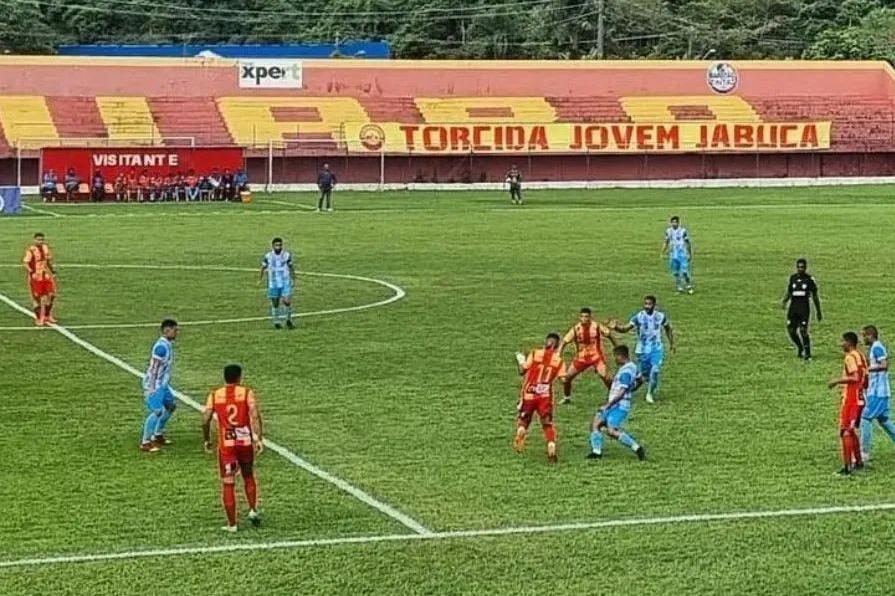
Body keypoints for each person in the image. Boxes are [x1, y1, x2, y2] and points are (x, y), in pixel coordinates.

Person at [202, 364, 263, 532]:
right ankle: (252, 510)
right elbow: (255, 415)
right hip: (245, 442)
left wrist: (207, 439)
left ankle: (232, 524)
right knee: (248, 474)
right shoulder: (246, 393)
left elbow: (205, 419)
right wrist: (258, 438)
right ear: (239, 377)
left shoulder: (215, 395)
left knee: (228, 483)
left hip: (227, 446)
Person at [610, 295, 675, 404]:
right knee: (644, 376)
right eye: (645, 304)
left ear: (654, 305)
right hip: (642, 351)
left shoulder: (660, 316)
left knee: (655, 370)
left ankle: (649, 393)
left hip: (656, 348)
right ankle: (627, 389)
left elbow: (668, 328)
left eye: (649, 304)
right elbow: (625, 329)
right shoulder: (638, 317)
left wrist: (672, 343)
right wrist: (616, 327)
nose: (647, 306)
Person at [513, 332, 566, 463]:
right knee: (547, 423)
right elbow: (564, 379)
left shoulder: (535, 353)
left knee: (524, 419)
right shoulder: (559, 361)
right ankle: (551, 445)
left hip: (529, 393)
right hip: (545, 396)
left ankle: (521, 431)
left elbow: (522, 371)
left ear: (546, 342)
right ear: (557, 345)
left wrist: (521, 361)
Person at [587, 345, 646, 460]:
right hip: (615, 404)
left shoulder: (626, 372)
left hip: (619, 406)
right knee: (596, 423)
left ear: (620, 356)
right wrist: (633, 388)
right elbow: (641, 379)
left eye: (615, 356)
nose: (615, 359)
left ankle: (637, 447)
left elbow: (622, 392)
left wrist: (608, 405)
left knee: (611, 430)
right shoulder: (632, 367)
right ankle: (596, 452)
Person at [828, 331, 868, 476]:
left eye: (843, 341)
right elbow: (865, 377)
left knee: (845, 431)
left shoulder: (850, 357)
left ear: (849, 342)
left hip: (852, 399)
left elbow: (855, 376)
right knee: (851, 431)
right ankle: (858, 462)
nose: (841, 344)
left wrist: (837, 381)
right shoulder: (861, 356)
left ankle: (847, 467)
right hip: (860, 397)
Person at [558, 307, 616, 404]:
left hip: (596, 357)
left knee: (605, 376)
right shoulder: (576, 329)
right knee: (567, 378)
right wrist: (559, 353)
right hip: (581, 358)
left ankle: (614, 395)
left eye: (586, 317)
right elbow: (564, 342)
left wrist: (617, 347)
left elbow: (609, 335)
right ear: (580, 317)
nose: (584, 319)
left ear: (590, 317)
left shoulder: (596, 326)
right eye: (582, 317)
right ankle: (566, 397)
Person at [140, 319, 179, 452]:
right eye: (175, 330)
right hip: (155, 385)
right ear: (167, 331)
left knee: (170, 406)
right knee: (157, 412)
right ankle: (145, 442)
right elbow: (154, 368)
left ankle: (157, 434)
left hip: (162, 384)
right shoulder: (161, 347)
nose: (177, 333)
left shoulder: (167, 344)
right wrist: (151, 388)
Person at [860, 325, 895, 461]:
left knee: (866, 418)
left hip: (878, 392)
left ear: (870, 335)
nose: (863, 339)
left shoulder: (877, 347)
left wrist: (869, 369)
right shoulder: (875, 347)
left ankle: (864, 453)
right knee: (884, 420)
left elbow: (885, 365)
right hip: (881, 391)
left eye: (864, 336)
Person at [782, 258, 821, 361]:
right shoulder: (793, 278)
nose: (800, 269)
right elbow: (789, 292)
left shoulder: (809, 280)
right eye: (799, 267)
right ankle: (800, 347)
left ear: (805, 268)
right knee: (791, 331)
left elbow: (815, 296)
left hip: (803, 308)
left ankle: (807, 353)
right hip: (793, 308)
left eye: (802, 267)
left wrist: (818, 311)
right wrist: (784, 301)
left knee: (803, 331)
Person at [22, 232, 57, 326]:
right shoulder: (31, 250)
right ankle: (38, 318)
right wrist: (31, 272)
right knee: (37, 298)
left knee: (51, 295)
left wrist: (52, 271)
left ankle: (47, 315)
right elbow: (26, 262)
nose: (40, 241)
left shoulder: (46, 248)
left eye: (42, 240)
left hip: (45, 275)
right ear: (34, 240)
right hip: (36, 277)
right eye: (38, 240)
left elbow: (48, 260)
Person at [260, 237, 295, 330]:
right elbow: (263, 267)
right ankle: (276, 321)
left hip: (285, 281)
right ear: (273, 246)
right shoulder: (268, 256)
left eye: (280, 245)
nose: (278, 247)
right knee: (275, 303)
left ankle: (288, 320)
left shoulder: (286, 255)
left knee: (286, 301)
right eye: (276, 245)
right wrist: (260, 278)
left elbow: (291, 266)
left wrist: (293, 278)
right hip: (274, 283)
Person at [662, 215, 693, 294]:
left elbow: (687, 242)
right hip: (673, 255)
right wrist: (663, 252)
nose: (674, 224)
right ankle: (679, 288)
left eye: (676, 222)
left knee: (684, 272)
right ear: (671, 223)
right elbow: (666, 241)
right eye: (673, 222)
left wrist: (689, 253)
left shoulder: (683, 231)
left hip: (682, 254)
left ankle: (689, 286)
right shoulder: (668, 231)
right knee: (675, 272)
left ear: (678, 223)